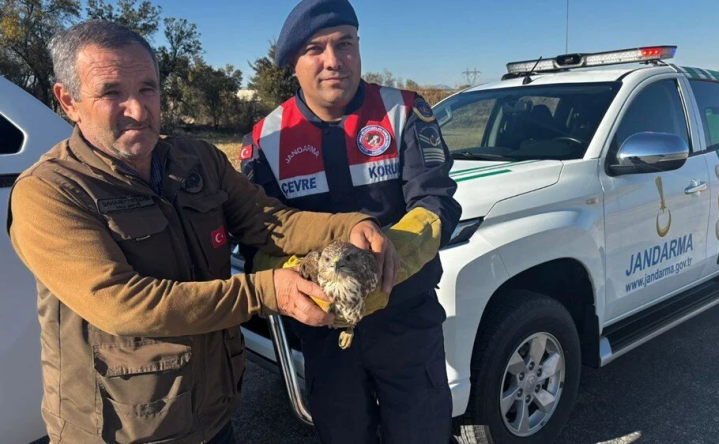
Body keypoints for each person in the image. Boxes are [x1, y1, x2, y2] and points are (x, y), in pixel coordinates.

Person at [6, 19, 398, 444]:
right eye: (111, 93)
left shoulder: (196, 161)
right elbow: (122, 305)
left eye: (147, 89)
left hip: (212, 412)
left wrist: (352, 224)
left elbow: (268, 220)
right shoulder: (49, 192)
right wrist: (267, 292)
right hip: (125, 430)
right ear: (69, 101)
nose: (137, 110)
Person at [239, 0, 462, 442]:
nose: (333, 61)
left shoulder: (404, 111)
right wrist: (302, 284)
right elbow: (256, 237)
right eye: (315, 49)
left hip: (405, 319)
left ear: (359, 48)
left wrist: (384, 262)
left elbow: (436, 201)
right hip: (323, 331)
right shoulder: (265, 138)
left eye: (345, 44)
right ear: (292, 64)